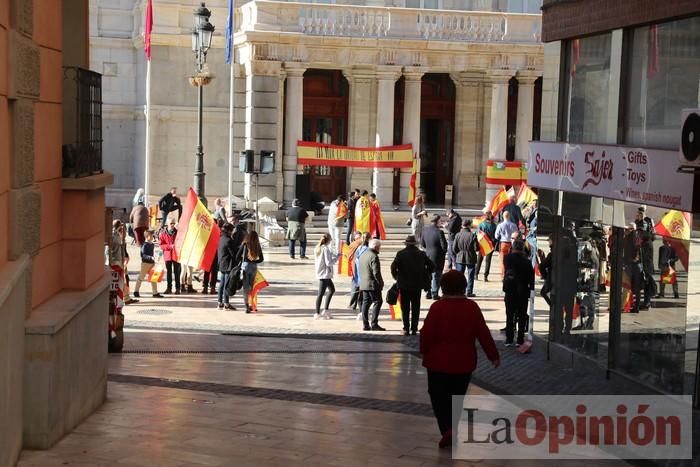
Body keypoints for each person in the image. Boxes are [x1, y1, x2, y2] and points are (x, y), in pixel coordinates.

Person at [420, 270, 500, 449]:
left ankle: (447, 429)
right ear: (463, 287)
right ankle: (452, 429)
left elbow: (427, 334)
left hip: (437, 362)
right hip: (464, 362)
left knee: (438, 397)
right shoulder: (471, 307)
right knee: (457, 398)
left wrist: (424, 350)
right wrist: (493, 356)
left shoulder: (438, 308)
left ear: (443, 287)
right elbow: (483, 333)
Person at [391, 235, 434, 336]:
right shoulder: (421, 254)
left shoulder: (400, 254)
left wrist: (397, 277)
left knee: (404, 308)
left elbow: (393, 267)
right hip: (417, 284)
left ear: (406, 244)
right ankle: (414, 328)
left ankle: (406, 328)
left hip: (404, 285)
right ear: (415, 244)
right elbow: (432, 266)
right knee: (416, 307)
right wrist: (425, 273)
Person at [502, 240, 534, 346]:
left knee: (509, 315)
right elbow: (531, 279)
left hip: (510, 290)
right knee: (521, 316)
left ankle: (509, 339)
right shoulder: (527, 262)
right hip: (523, 292)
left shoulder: (507, 258)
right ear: (522, 248)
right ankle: (520, 339)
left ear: (513, 247)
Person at [358, 238, 386, 331]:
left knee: (366, 303)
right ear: (375, 247)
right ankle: (374, 323)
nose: (380, 249)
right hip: (372, 284)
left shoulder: (363, 254)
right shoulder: (374, 256)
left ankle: (365, 324)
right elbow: (376, 273)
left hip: (363, 283)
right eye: (379, 247)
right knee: (378, 302)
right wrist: (381, 283)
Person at [421, 214, 447, 300]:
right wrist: (443, 253)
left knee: (429, 275)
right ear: (437, 221)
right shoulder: (439, 232)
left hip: (428, 255)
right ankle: (434, 293)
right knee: (436, 275)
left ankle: (428, 292)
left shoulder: (425, 230)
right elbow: (444, 246)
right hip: (437, 256)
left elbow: (422, 244)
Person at [314, 233, 338, 320]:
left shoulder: (318, 247)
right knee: (321, 293)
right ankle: (317, 313)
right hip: (325, 274)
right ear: (328, 240)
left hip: (322, 273)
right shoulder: (325, 249)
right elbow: (328, 262)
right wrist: (336, 258)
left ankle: (326, 310)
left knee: (332, 290)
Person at [133, 230, 163, 298]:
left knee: (153, 278)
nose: (153, 237)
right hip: (145, 264)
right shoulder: (144, 245)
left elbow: (153, 253)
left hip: (151, 263)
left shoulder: (152, 244)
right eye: (152, 235)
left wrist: (156, 257)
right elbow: (143, 255)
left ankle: (155, 292)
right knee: (141, 277)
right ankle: (136, 291)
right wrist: (151, 257)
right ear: (148, 236)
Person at [240, 230, 264, 313]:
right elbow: (261, 259)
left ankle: (246, 306)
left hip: (246, 266)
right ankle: (251, 305)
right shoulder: (257, 245)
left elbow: (237, 256)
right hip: (254, 267)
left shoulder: (245, 245)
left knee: (245, 288)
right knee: (251, 287)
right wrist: (254, 261)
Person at [453, 219, 478, 297]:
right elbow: (476, 248)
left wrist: (459, 253)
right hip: (470, 257)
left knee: (459, 276)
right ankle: (469, 291)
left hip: (460, 257)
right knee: (470, 275)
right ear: (468, 225)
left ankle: (459, 291)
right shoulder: (473, 235)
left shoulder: (458, 235)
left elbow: (454, 248)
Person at [217, 223, 238, 310]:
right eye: (232, 230)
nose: (233, 232)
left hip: (222, 264)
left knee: (222, 284)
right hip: (228, 265)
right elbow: (233, 253)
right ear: (229, 230)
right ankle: (226, 303)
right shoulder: (229, 240)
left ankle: (219, 302)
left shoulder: (221, 239)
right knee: (226, 284)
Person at [349, 232, 370, 315]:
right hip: (358, 270)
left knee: (357, 289)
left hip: (357, 269)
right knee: (358, 291)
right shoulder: (360, 246)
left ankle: (355, 305)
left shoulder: (359, 246)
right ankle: (355, 305)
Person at [159, 218, 181, 295]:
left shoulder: (178, 232)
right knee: (169, 272)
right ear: (168, 224)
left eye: (173, 223)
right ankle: (169, 288)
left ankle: (178, 288)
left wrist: (177, 246)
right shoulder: (163, 233)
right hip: (168, 255)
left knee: (177, 272)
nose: (172, 225)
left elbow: (181, 242)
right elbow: (161, 245)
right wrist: (169, 246)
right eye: (171, 223)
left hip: (176, 255)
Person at [494, 211, 518, 279]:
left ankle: (503, 276)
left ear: (503, 216)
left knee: (502, 260)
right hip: (511, 244)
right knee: (512, 260)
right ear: (509, 216)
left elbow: (496, 236)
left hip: (503, 244)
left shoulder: (500, 225)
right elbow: (516, 234)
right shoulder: (514, 225)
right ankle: (511, 274)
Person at [475, 211, 496, 282]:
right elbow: (495, 236)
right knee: (488, 261)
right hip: (490, 244)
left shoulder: (481, 224)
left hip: (482, 244)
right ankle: (485, 276)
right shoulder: (494, 225)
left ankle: (476, 274)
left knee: (479, 260)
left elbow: (477, 234)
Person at [537, 235, 553, 306]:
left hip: (552, 279)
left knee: (543, 292)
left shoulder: (552, 254)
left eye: (549, 240)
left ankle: (552, 306)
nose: (548, 242)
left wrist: (546, 277)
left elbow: (541, 266)